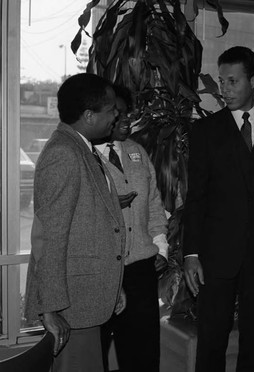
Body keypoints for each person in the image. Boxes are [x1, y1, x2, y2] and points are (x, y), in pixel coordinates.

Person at [183, 45, 254, 372]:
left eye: (233, 81)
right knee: (212, 339)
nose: (225, 89)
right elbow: (197, 197)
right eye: (222, 81)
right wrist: (190, 253)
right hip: (217, 254)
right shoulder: (206, 130)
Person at [24, 73, 126, 372]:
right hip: (71, 306)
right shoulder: (64, 154)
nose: (117, 114)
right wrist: (50, 308)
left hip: (87, 298)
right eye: (111, 110)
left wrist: (112, 284)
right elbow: (50, 238)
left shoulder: (83, 148)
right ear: (89, 115)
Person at [96, 84, 168, 372]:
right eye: (119, 114)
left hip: (140, 270)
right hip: (102, 272)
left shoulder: (137, 151)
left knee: (143, 355)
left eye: (130, 114)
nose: (127, 121)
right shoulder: (84, 155)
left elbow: (153, 202)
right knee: (95, 354)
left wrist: (161, 247)